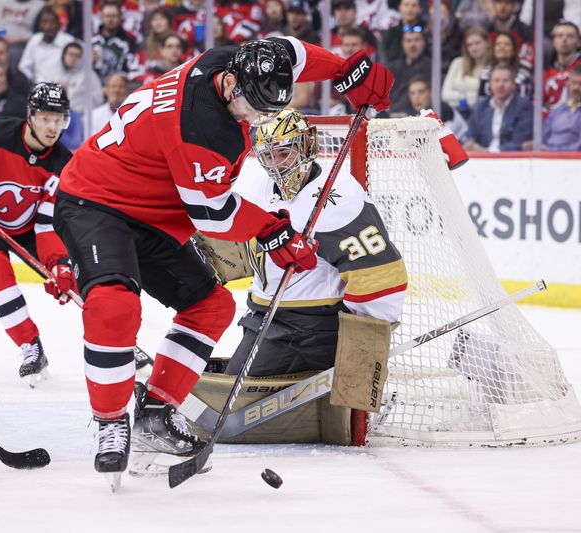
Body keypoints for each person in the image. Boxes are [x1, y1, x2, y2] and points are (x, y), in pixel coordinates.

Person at [53, 36, 393, 485]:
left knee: (212, 307)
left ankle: (156, 416)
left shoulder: (228, 62)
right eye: (251, 107)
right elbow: (214, 217)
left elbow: (291, 51)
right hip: (96, 202)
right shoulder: (202, 130)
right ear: (232, 85)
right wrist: (273, 230)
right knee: (115, 305)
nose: (255, 120)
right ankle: (111, 422)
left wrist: (346, 68)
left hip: (153, 212)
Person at [225, 108, 406, 377]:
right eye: (267, 156)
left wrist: (365, 343)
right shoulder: (257, 185)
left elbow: (380, 276)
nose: (276, 165)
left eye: (284, 153)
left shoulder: (338, 197)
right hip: (263, 320)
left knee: (233, 408)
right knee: (225, 391)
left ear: (307, 146)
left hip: (309, 331)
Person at [0, 83, 75, 385]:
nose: (53, 127)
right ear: (30, 116)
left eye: (59, 120)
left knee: (78, 270)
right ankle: (30, 345)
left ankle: (116, 341)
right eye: (46, 118)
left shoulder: (64, 166)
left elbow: (47, 226)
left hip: (29, 227)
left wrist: (58, 262)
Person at [465, 63, 533, 151]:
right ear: (490, 84)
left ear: (514, 85)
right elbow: (470, 135)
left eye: (505, 81)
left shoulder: (524, 106)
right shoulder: (480, 106)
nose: (500, 85)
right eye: (496, 80)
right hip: (481, 160)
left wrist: (487, 151)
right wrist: (471, 144)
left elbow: (519, 143)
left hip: (511, 160)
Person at [18, 7, 76, 87]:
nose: (49, 26)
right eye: (45, 22)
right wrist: (31, 83)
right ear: (40, 25)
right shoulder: (34, 40)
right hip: (38, 88)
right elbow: (24, 68)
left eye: (52, 22)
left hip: (63, 87)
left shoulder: (68, 41)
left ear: (58, 24)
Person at [442, 27, 492, 114]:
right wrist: (472, 97)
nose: (474, 48)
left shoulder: (493, 68)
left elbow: (486, 98)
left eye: (477, 43)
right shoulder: (458, 63)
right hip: (455, 114)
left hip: (482, 113)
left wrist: (458, 96)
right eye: (469, 45)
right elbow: (445, 95)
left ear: (487, 43)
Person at [388, 25, 431, 114]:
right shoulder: (393, 68)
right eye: (408, 41)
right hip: (394, 114)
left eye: (416, 40)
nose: (412, 45)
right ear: (402, 44)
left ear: (423, 42)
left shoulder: (431, 67)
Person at [478, 31, 533, 99]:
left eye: (507, 44)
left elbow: (525, 103)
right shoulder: (486, 73)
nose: (502, 47)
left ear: (513, 50)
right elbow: (481, 99)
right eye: (498, 44)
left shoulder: (523, 74)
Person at [91, 0, 137, 81]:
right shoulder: (92, 40)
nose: (110, 19)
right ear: (101, 17)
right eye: (107, 16)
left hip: (118, 87)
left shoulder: (129, 41)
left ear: (120, 17)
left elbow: (131, 70)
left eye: (114, 16)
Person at [539, 64, 581, 151]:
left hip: (570, 160)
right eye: (573, 83)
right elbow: (544, 138)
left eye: (580, 84)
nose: (576, 88)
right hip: (546, 158)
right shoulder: (558, 110)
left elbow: (578, 147)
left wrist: (552, 150)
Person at [543, 21, 581, 114]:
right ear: (553, 41)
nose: (564, 39)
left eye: (570, 36)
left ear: (578, 42)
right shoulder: (545, 71)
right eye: (560, 36)